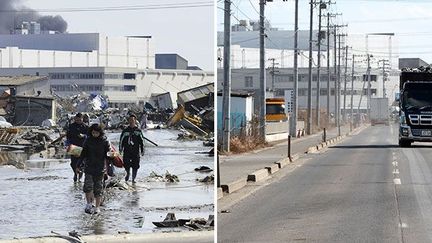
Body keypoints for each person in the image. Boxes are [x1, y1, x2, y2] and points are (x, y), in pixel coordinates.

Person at [77, 124, 113, 214]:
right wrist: (78, 165)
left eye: (96, 133)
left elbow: (108, 154)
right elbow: (83, 154)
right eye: (93, 132)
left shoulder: (104, 141)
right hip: (89, 167)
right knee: (87, 186)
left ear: (100, 133)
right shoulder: (88, 141)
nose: (95, 134)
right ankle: (89, 204)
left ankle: (97, 207)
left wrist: (111, 156)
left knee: (98, 188)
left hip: (100, 168)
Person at [119, 114, 145, 183]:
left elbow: (142, 141)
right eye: (130, 120)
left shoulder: (138, 131)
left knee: (135, 165)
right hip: (127, 150)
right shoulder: (125, 131)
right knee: (126, 164)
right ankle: (128, 173)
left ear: (135, 121)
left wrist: (142, 150)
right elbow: (121, 140)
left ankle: (134, 178)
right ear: (128, 121)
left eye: (133, 120)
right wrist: (120, 149)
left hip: (135, 151)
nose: (131, 121)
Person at [66, 113, 89, 182]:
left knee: (82, 163)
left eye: (80, 120)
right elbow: (68, 136)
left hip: (83, 147)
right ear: (75, 119)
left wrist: (84, 136)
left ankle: (80, 173)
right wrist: (68, 145)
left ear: (82, 119)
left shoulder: (86, 127)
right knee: (73, 163)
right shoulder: (71, 126)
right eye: (77, 119)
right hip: (73, 147)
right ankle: (76, 173)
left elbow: (89, 137)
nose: (78, 121)